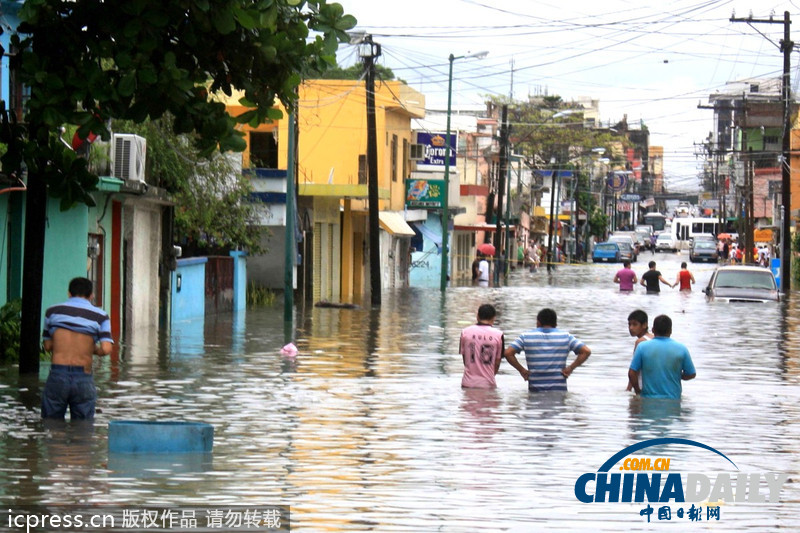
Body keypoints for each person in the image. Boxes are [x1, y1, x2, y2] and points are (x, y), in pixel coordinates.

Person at [41, 277, 114, 419]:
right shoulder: (100, 316)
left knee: (52, 427)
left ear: (69, 293)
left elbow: (48, 346)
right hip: (83, 377)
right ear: (91, 295)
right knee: (83, 430)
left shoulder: (52, 312)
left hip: (57, 374)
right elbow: (106, 349)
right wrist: (90, 348)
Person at [503, 308, 591, 392]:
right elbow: (586, 351)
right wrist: (570, 368)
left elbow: (508, 353)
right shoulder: (566, 337)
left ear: (538, 322)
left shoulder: (526, 337)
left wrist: (522, 370)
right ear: (555, 324)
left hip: (535, 390)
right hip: (559, 390)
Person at [628, 314, 696, 399]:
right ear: (670, 331)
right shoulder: (682, 349)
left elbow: (632, 373)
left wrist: (638, 391)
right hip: (673, 401)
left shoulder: (642, 347)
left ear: (653, 330)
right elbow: (691, 374)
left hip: (648, 401)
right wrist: (678, 375)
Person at [459, 304, 505, 389]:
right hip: (487, 384)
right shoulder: (499, 335)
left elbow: (465, 360)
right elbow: (497, 362)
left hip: (467, 384)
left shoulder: (465, 332)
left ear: (477, 316)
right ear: (493, 318)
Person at [625, 309, 653, 391]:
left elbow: (634, 371)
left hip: (642, 387)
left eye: (635, 324)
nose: (631, 328)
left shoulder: (640, 342)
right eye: (629, 324)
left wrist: (628, 389)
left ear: (644, 325)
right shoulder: (654, 337)